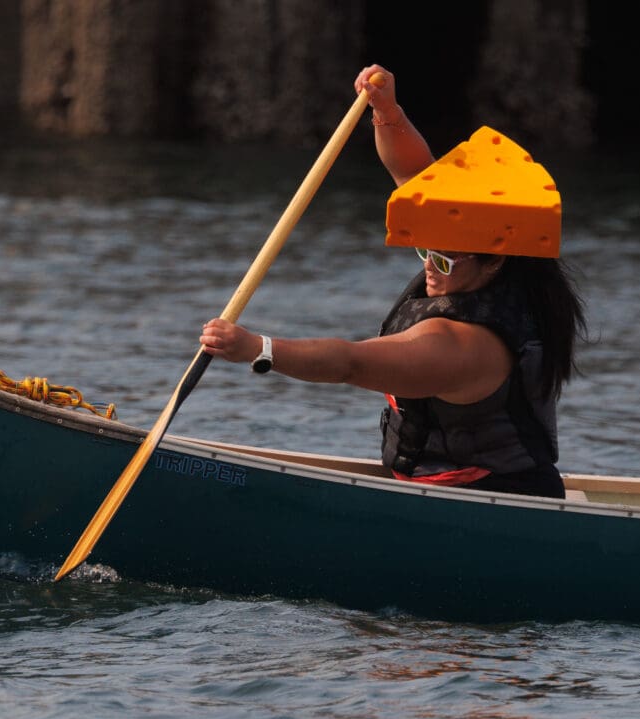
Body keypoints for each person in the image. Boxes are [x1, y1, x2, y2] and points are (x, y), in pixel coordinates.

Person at [200, 64, 587, 499]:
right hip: (440, 489)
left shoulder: (464, 346)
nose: (427, 267)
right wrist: (388, 113)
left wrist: (259, 348)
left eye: (441, 259)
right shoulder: (506, 271)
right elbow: (415, 176)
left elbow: (352, 362)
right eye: (423, 250)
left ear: (494, 262)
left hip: (493, 502)